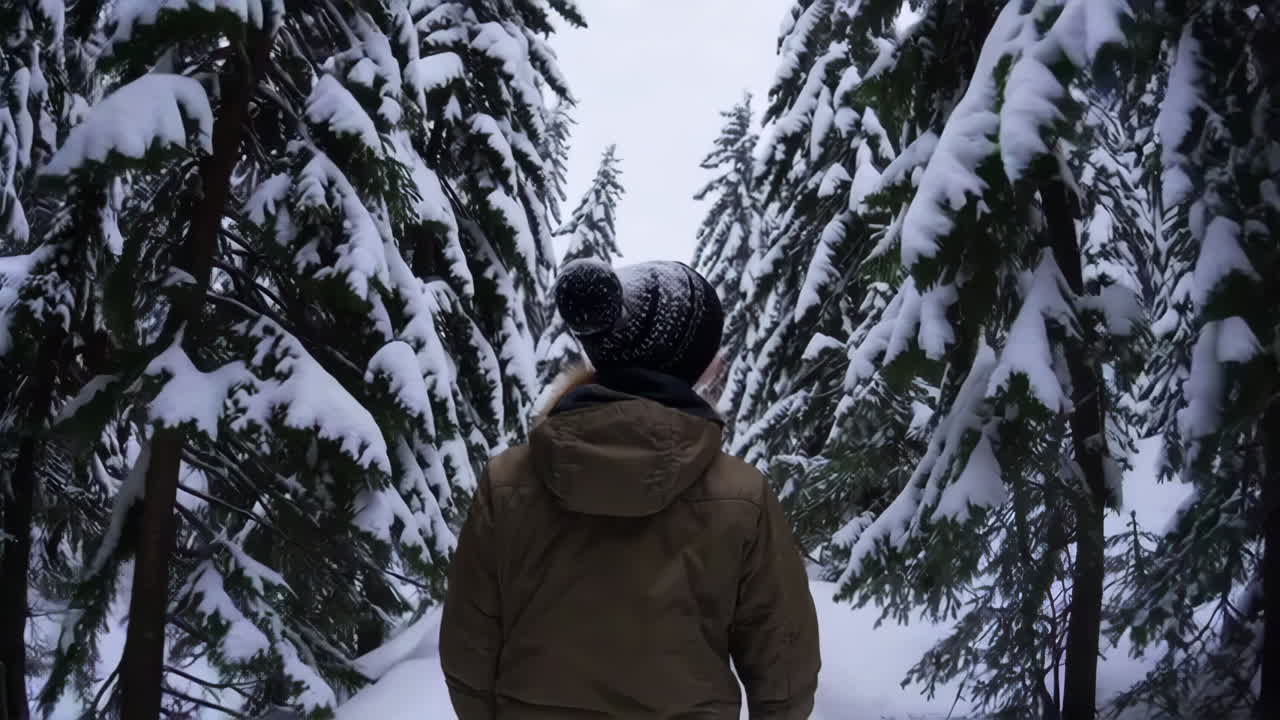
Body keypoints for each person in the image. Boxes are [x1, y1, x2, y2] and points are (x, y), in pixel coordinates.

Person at [440, 259, 821, 719]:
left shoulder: (507, 484)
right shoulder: (742, 496)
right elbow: (784, 674)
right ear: (694, 367)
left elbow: (468, 654)